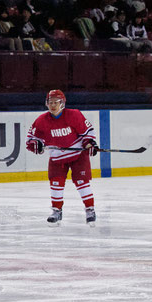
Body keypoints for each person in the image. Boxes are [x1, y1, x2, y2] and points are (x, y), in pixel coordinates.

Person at [26, 89, 98, 226]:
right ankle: (56, 211)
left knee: (82, 182)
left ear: (62, 103)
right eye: (50, 102)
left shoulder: (74, 115)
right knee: (56, 183)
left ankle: (90, 209)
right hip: (57, 157)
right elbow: (31, 139)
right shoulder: (41, 121)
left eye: (56, 102)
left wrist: (90, 144)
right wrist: (36, 145)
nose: (53, 105)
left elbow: (87, 133)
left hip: (78, 155)